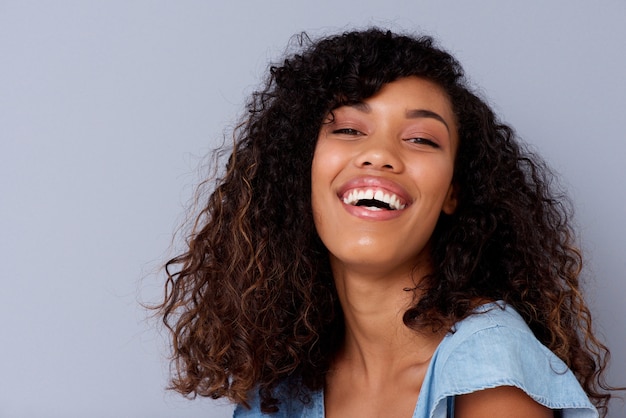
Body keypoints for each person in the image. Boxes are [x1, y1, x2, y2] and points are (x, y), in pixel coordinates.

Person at [157, 29, 617, 417]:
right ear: (301, 168)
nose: (378, 154)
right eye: (349, 130)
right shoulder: (283, 385)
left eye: (420, 138)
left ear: (454, 191)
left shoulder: (491, 367)